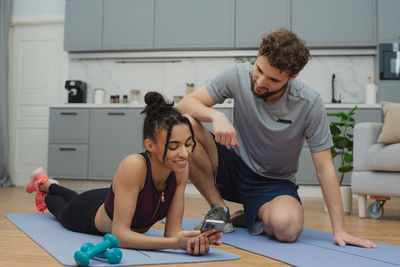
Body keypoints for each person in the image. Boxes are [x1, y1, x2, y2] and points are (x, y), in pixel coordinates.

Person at [177, 28, 376, 248]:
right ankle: (219, 209)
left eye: (272, 79)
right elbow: (186, 104)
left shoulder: (309, 103)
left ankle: (255, 214)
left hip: (273, 184)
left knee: (287, 229)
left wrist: (340, 231)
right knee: (185, 124)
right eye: (259, 69)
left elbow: (325, 168)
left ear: (292, 77)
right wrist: (215, 115)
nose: (261, 81)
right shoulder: (238, 75)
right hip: (233, 166)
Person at [25, 91, 222, 255]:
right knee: (61, 209)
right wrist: (175, 244)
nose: (184, 153)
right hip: (87, 212)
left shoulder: (180, 169)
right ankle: (45, 191)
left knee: (73, 196)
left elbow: (172, 232)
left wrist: (193, 241)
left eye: (188, 144)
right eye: (174, 146)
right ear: (150, 145)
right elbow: (121, 235)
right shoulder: (134, 166)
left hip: (116, 198)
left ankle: (47, 183)